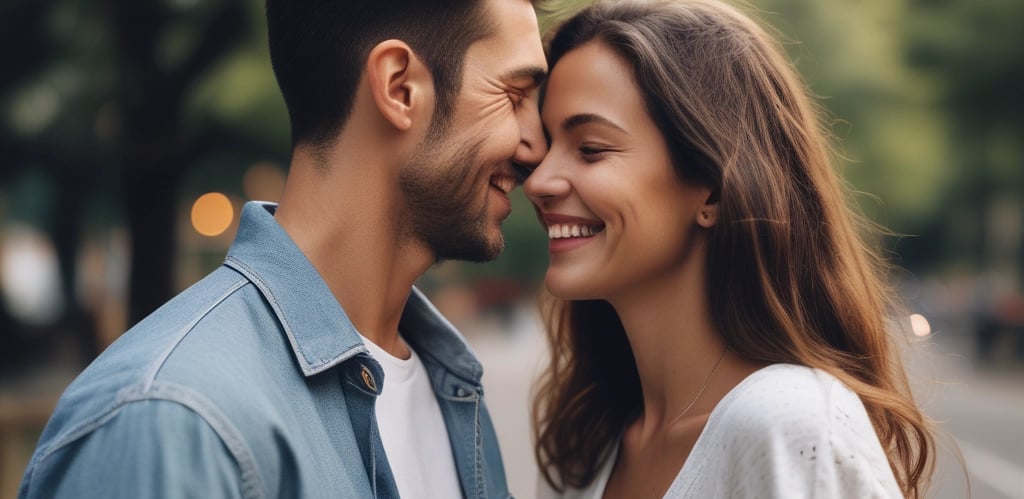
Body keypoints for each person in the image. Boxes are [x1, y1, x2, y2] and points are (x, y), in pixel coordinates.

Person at [19, 0, 547, 498]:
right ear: (400, 87)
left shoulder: (453, 391)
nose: (537, 146)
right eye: (515, 95)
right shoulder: (170, 423)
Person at [526, 1, 935, 497]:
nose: (539, 181)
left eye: (590, 149)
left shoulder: (788, 423)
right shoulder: (590, 447)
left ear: (715, 189)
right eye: (546, 146)